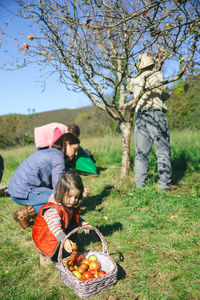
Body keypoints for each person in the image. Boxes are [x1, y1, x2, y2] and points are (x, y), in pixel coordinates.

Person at [8, 133, 80, 229]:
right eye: (75, 150)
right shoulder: (58, 158)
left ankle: (34, 212)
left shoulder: (51, 152)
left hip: (15, 189)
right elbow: (59, 189)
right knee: (61, 199)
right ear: (66, 144)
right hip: (23, 192)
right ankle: (25, 214)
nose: (76, 154)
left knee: (58, 197)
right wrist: (77, 194)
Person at [127, 53, 176, 190]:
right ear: (152, 63)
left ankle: (140, 186)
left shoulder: (134, 79)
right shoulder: (157, 75)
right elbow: (166, 94)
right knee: (163, 152)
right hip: (156, 114)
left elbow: (128, 89)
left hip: (141, 117)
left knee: (141, 154)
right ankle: (164, 184)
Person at [32, 171, 90, 265]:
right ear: (61, 192)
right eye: (70, 196)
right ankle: (44, 256)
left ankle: (65, 244)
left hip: (61, 227)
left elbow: (73, 216)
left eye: (76, 197)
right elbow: (55, 227)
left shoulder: (67, 203)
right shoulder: (52, 209)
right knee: (49, 246)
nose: (73, 200)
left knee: (70, 229)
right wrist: (64, 240)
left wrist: (81, 222)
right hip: (46, 235)